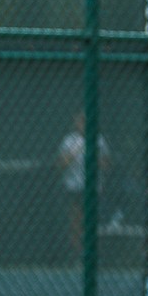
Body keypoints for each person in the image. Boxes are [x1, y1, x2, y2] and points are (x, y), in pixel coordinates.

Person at [55, 111, 110, 258]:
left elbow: (105, 165)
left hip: (93, 188)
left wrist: (95, 154)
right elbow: (61, 164)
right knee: (76, 221)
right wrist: (76, 150)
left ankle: (93, 253)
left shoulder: (98, 140)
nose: (82, 124)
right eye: (80, 120)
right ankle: (77, 254)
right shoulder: (69, 141)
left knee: (92, 220)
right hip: (74, 187)